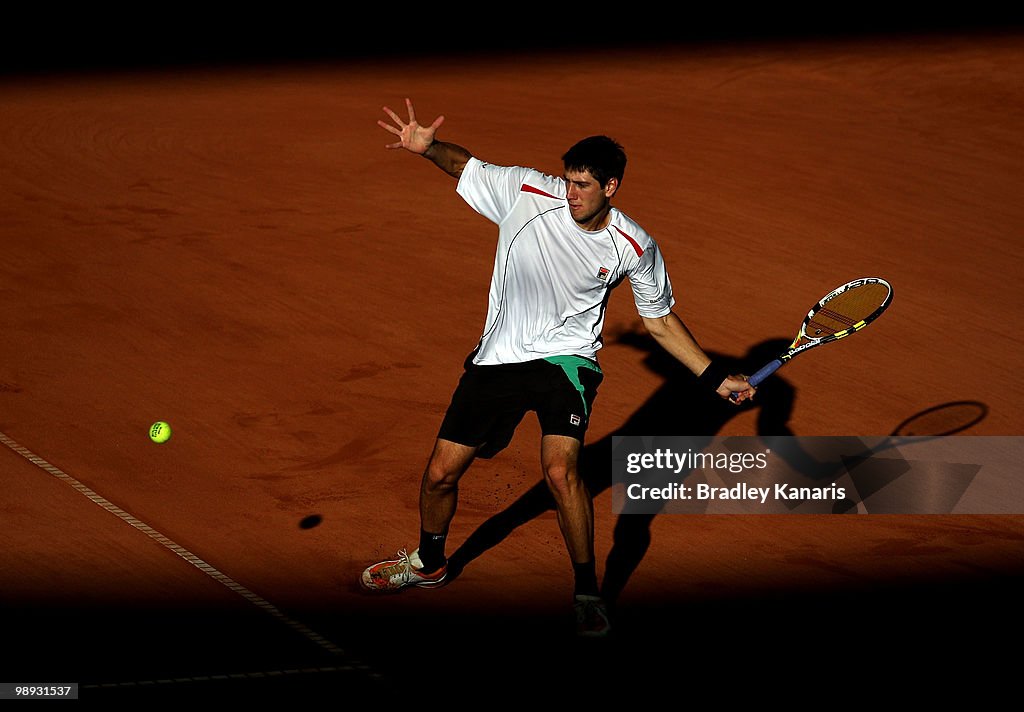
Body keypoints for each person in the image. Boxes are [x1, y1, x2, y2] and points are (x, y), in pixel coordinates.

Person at [359, 98, 755, 637]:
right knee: (438, 474)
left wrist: (714, 377)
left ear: (611, 187)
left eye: (583, 185)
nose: (570, 193)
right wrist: (428, 149)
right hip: (499, 358)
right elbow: (463, 165)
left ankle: (588, 591)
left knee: (561, 472)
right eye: (568, 180)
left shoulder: (634, 246)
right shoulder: (527, 191)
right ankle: (430, 563)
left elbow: (659, 322)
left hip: (567, 363)